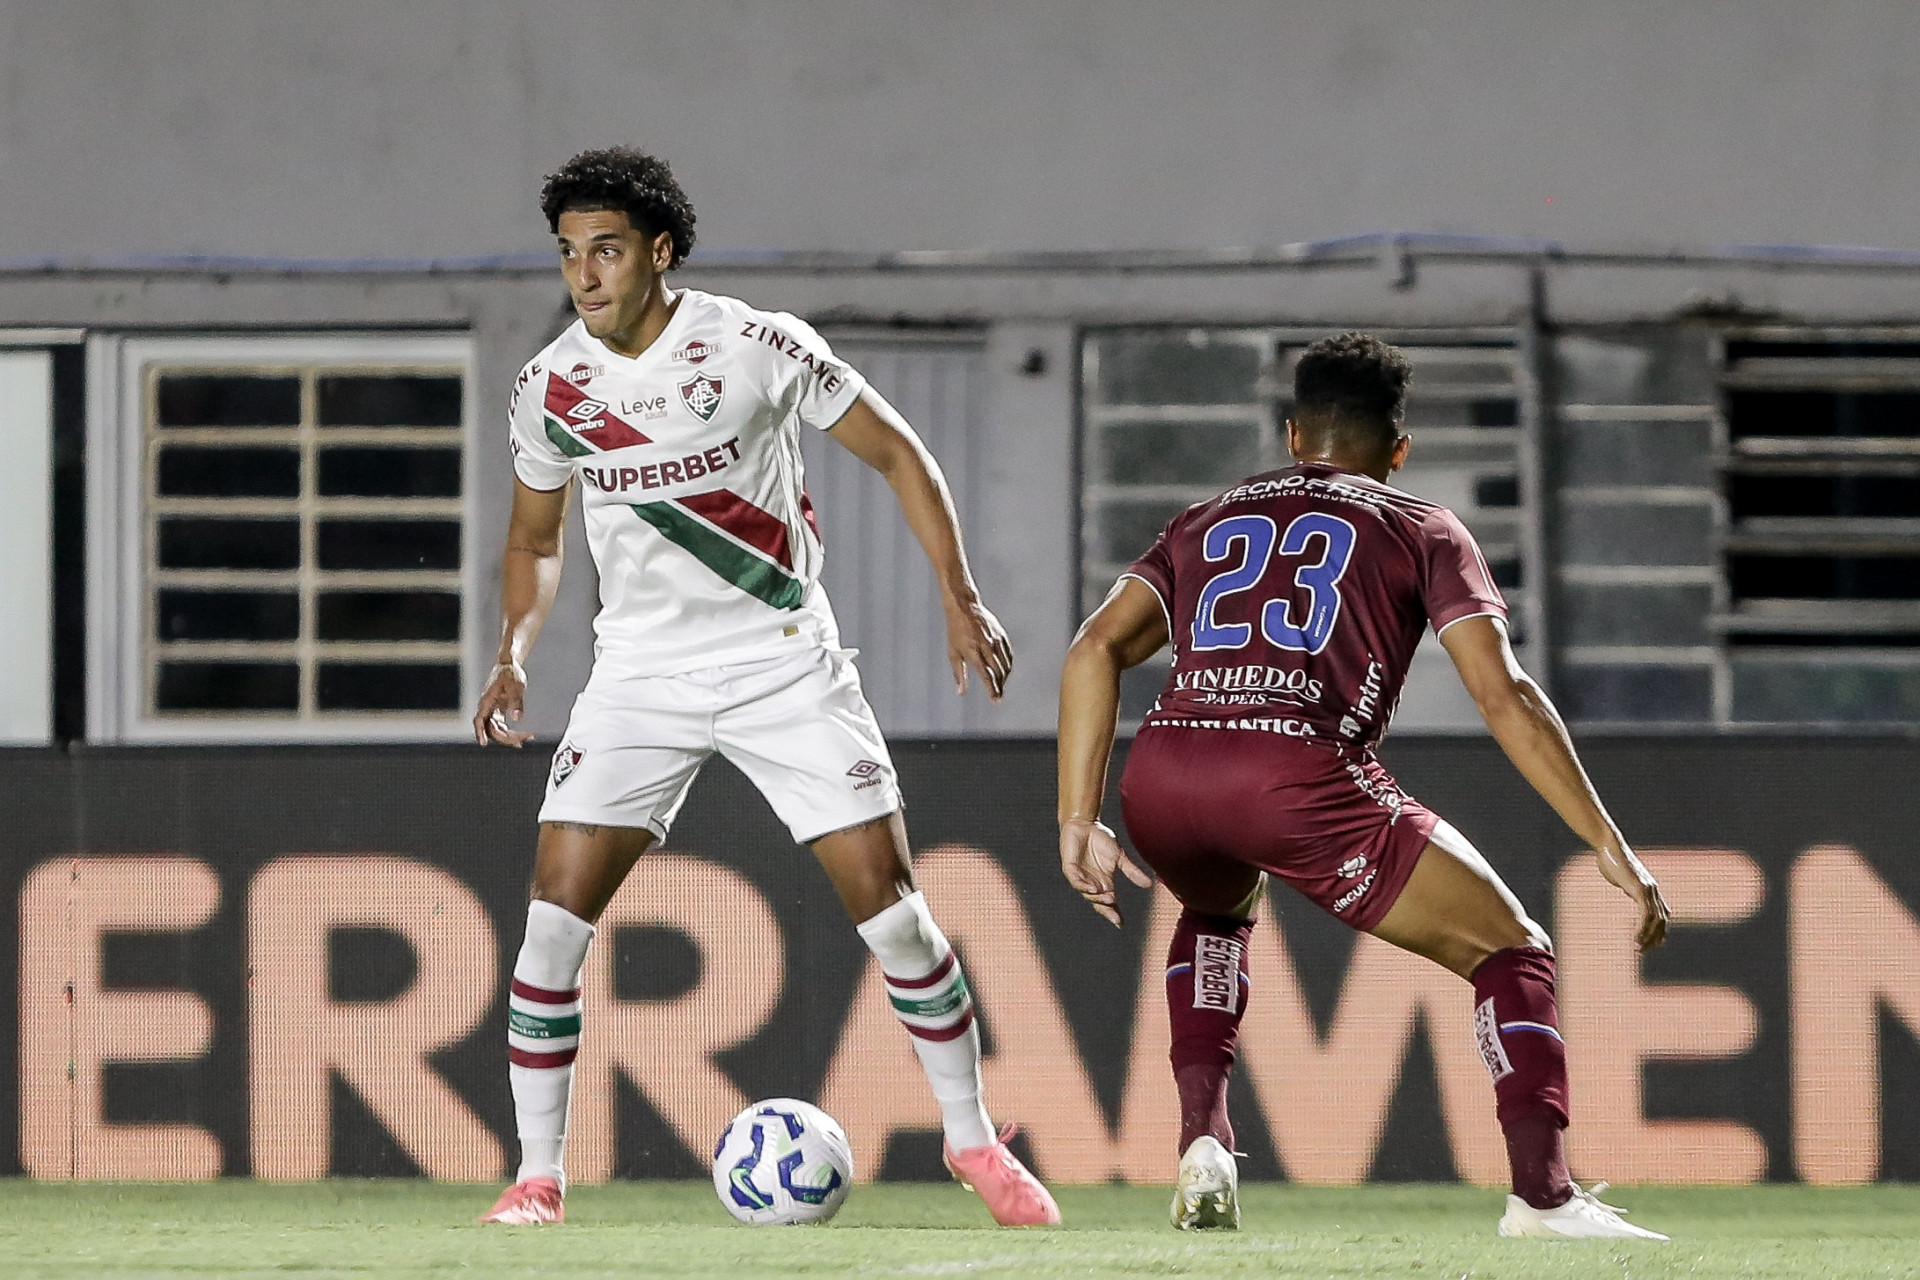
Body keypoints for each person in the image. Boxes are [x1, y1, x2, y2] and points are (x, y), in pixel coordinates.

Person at [474, 146, 1057, 1228]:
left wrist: (959, 594)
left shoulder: (756, 345)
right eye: (568, 255)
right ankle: (539, 1175)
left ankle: (975, 1142)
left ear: (660, 251)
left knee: (893, 911)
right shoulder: (551, 384)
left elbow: (899, 454)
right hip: (639, 674)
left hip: (782, 657)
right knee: (552, 918)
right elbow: (535, 537)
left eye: (605, 250)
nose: (585, 275)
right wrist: (513, 647)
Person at [1056, 332, 1672, 1240]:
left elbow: (1094, 647)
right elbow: (1502, 694)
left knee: (1217, 914)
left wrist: (1078, 815)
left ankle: (1205, 1142)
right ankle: (1543, 1199)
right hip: (1290, 775)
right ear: (1398, 449)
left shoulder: (1202, 519)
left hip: (1165, 776)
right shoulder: (1421, 526)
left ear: (1294, 434)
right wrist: (1608, 844)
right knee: (1513, 950)